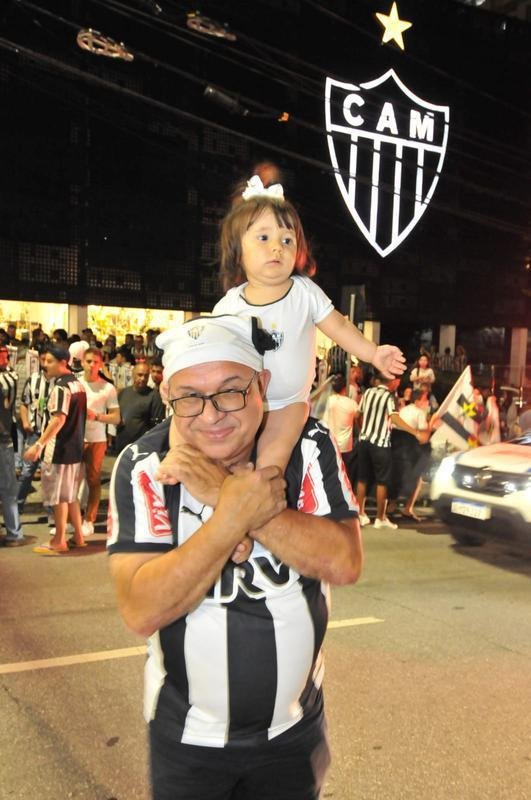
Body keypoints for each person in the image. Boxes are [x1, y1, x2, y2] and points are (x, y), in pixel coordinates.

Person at [108, 315, 362, 800]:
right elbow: (142, 608)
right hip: (188, 739)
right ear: (168, 399)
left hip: (294, 731)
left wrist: (224, 493)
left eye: (231, 391)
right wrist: (232, 514)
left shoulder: (306, 448)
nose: (211, 414)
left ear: (262, 384)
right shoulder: (147, 464)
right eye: (189, 398)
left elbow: (344, 560)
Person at [209, 172, 404, 474]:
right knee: (219, 454)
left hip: (289, 404)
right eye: (264, 238)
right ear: (237, 249)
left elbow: (339, 327)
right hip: (243, 403)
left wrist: (373, 353)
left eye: (287, 240)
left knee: (271, 461)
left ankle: (263, 482)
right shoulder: (228, 306)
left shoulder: (304, 292)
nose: (277, 247)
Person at [25, 345, 87, 555]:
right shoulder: (78, 384)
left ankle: (59, 540)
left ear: (63, 362)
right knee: (70, 495)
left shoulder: (61, 387)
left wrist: (38, 444)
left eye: (49, 361)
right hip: (74, 448)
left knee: (59, 496)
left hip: (59, 449)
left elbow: (58, 420)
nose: (45, 365)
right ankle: (78, 536)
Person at [356, 375, 430, 529]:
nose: (398, 383)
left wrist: (362, 430)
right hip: (380, 443)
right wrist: (414, 432)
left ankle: (360, 513)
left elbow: (358, 415)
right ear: (392, 381)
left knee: (362, 478)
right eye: (397, 381)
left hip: (364, 441)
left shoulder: (368, 392)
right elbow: (394, 418)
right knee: (383, 481)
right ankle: (380, 517)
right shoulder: (388, 397)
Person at [79, 348, 120, 536]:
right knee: (71, 479)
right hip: (75, 438)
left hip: (97, 439)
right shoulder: (75, 383)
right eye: (88, 361)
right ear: (82, 362)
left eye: (96, 362)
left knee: (93, 480)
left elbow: (116, 418)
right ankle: (71, 518)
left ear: (101, 364)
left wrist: (96, 417)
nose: (92, 365)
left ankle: (89, 519)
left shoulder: (107, 387)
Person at [388, 389, 431, 522]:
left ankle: (390, 506)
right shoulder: (419, 413)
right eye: (425, 399)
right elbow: (423, 437)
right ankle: (408, 508)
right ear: (417, 401)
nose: (427, 402)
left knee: (396, 477)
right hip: (411, 449)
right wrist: (433, 423)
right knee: (417, 478)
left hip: (396, 445)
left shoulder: (404, 410)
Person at [17, 350, 52, 511]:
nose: (45, 363)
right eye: (43, 359)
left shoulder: (60, 381)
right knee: (26, 472)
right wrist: (25, 422)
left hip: (52, 435)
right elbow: (24, 404)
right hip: (34, 433)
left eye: (48, 360)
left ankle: (52, 513)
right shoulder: (33, 379)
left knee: (49, 474)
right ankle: (16, 508)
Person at [0, 345, 24, 546]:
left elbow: (9, 406)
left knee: (8, 487)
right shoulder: (9, 378)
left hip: (4, 438)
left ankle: (14, 533)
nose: (4, 359)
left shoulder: (9, 377)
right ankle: (13, 532)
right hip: (4, 437)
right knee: (8, 488)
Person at [115, 362, 164, 452]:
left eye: (146, 376)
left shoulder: (154, 396)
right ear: (133, 374)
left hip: (140, 448)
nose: (143, 378)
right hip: (121, 445)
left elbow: (157, 425)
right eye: (140, 375)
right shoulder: (123, 393)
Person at [322, 373, 358, 483]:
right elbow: (358, 417)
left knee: (331, 470)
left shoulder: (329, 400)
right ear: (344, 388)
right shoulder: (351, 403)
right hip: (345, 445)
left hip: (331, 441)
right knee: (344, 471)